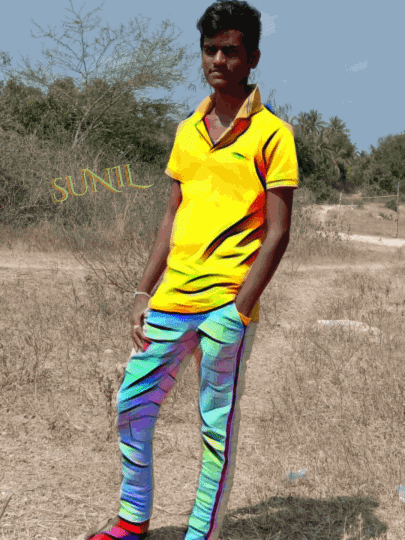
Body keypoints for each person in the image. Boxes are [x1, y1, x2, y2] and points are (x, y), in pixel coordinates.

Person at [82, 1, 298, 539]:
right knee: (132, 406)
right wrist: (143, 291)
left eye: (231, 51)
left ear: (252, 58)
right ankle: (132, 520)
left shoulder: (273, 134)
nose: (219, 60)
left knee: (215, 430)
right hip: (172, 300)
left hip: (226, 306)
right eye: (210, 50)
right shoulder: (186, 131)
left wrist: (240, 308)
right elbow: (172, 216)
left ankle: (201, 533)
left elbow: (278, 231)